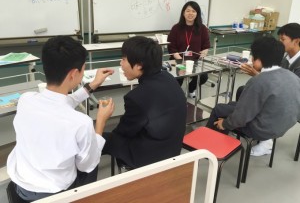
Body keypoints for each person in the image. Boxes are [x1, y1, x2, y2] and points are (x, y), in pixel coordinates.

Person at [7, 36, 115, 201]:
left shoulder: (26, 99)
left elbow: (60, 103)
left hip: (21, 188)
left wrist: (91, 85)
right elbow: (88, 164)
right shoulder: (81, 123)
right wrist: (100, 121)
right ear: (73, 74)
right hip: (55, 193)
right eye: (83, 69)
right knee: (91, 159)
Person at [103, 36, 187, 169]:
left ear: (139, 66)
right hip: (173, 148)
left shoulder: (136, 98)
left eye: (124, 59)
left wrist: (102, 120)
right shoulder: (168, 77)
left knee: (101, 139)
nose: (121, 64)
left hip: (150, 159)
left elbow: (123, 132)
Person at [206, 37, 300, 144]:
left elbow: (242, 116)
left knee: (219, 109)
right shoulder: (292, 76)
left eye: (253, 57)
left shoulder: (259, 81)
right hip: (282, 126)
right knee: (232, 104)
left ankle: (209, 147)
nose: (251, 60)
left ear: (259, 60)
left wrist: (225, 124)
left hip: (261, 129)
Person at [235, 23, 300, 155]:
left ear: (296, 41)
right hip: (281, 94)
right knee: (243, 90)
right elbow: (276, 78)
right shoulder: (285, 58)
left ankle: (266, 140)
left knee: (260, 96)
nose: (279, 43)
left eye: (283, 40)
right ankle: (246, 124)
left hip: (293, 101)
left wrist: (257, 75)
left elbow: (288, 88)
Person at [167, 1, 211, 98]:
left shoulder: (202, 28)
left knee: (203, 76)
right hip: (179, 60)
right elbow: (172, 47)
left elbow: (206, 46)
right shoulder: (176, 28)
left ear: (197, 14)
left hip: (195, 61)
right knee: (179, 75)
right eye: (188, 11)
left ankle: (191, 88)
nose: (190, 13)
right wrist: (180, 61)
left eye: (193, 11)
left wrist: (203, 54)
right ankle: (177, 93)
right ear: (183, 13)